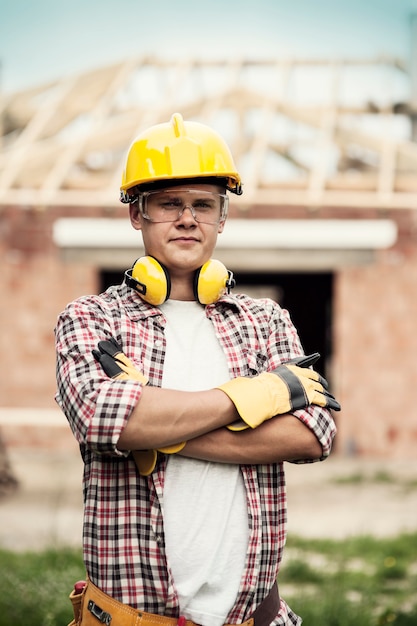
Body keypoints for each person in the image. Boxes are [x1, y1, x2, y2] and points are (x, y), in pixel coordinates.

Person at [55, 113, 339, 626]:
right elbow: (104, 418)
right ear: (137, 215)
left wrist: (152, 425)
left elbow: (312, 434)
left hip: (256, 618)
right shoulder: (91, 317)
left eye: (203, 205)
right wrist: (260, 395)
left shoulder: (265, 321)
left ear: (222, 218)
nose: (188, 218)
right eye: (169, 204)